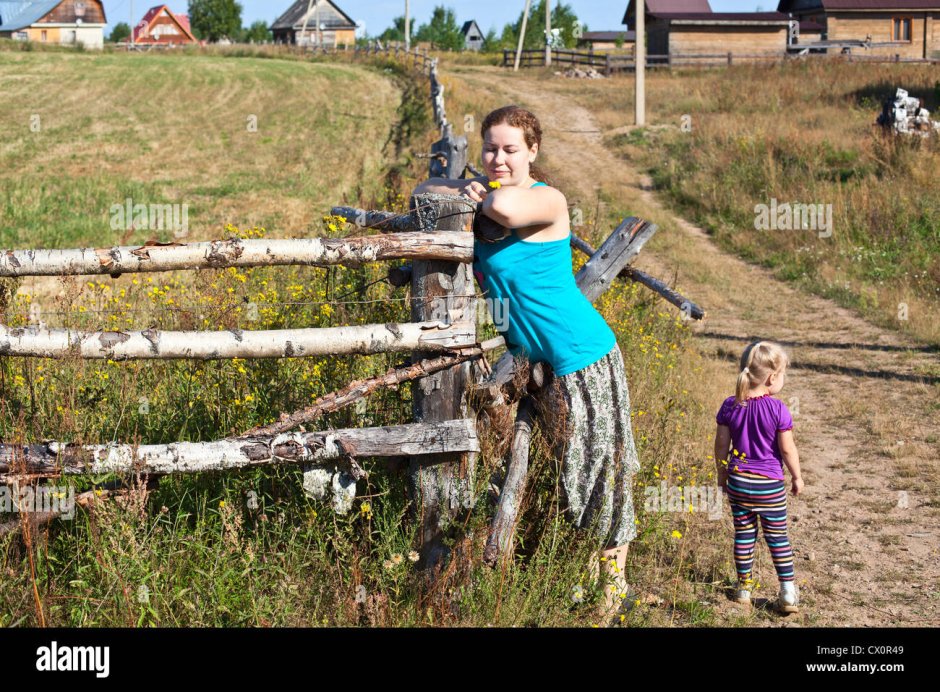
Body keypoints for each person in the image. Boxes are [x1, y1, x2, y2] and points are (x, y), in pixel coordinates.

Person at [413, 105, 641, 620]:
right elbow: (427, 189)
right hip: (544, 368)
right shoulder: (489, 195)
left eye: (511, 149)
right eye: (490, 148)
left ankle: (613, 589)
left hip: (585, 357)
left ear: (533, 151)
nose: (499, 158)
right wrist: (466, 187)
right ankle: (588, 578)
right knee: (569, 472)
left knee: (601, 471)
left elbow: (507, 209)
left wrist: (479, 192)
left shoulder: (547, 199)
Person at [715, 340, 804, 614]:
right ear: (772, 378)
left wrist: (721, 475)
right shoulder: (778, 409)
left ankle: (744, 588)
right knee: (777, 537)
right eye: (783, 374)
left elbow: (721, 445)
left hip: (739, 482)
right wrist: (797, 477)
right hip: (770, 486)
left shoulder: (730, 405)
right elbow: (787, 449)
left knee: (744, 534)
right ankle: (787, 591)